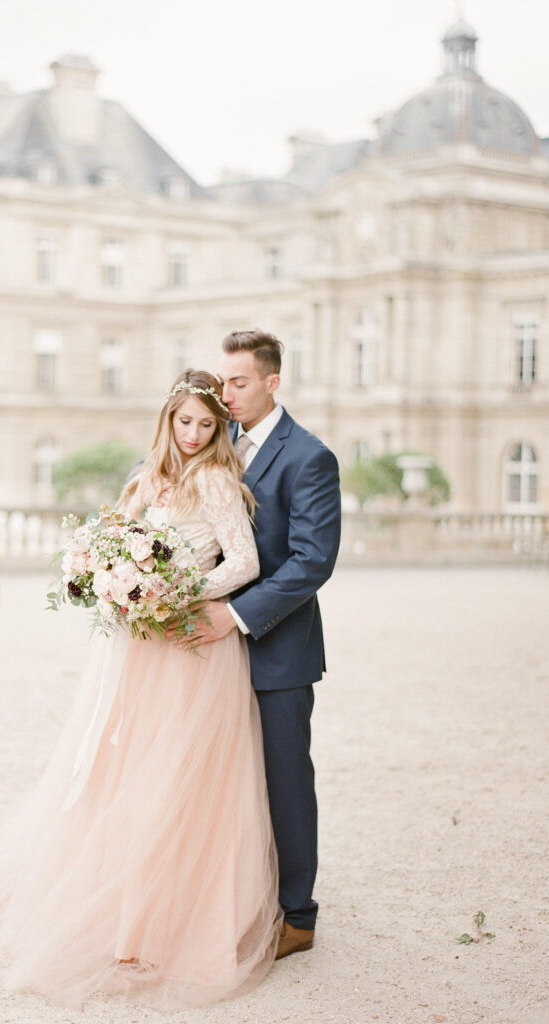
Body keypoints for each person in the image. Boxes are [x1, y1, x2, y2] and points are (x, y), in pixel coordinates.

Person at [0, 369, 282, 1008]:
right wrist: (103, 569)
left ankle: (171, 919)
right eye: (185, 422)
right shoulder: (150, 476)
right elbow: (113, 536)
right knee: (128, 765)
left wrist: (179, 593)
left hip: (192, 641)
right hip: (141, 644)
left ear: (219, 427)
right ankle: (120, 906)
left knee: (183, 773)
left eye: (207, 423)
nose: (195, 434)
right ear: (167, 421)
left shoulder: (219, 481)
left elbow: (246, 562)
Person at [185, 330, 341, 960]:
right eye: (222, 382)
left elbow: (311, 562)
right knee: (218, 781)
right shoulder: (213, 443)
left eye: (239, 383)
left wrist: (236, 617)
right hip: (203, 652)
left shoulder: (309, 457)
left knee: (283, 780)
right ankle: (232, 900)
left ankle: (297, 916)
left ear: (273, 382)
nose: (226, 395)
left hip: (275, 649)